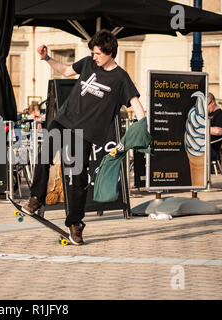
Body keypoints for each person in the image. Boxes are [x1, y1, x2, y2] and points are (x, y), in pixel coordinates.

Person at [22, 30, 146, 245]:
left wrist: (143, 125)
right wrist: (46, 58)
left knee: (77, 178)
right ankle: (36, 198)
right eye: (93, 53)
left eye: (98, 53)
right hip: (63, 119)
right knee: (45, 155)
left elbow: (136, 104)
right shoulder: (88, 63)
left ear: (109, 53)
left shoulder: (120, 78)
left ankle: (75, 224)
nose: (94, 57)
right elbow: (66, 70)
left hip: (85, 133)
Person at [208, 93, 222, 162]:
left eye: (206, 105)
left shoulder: (221, 115)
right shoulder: (207, 114)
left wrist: (200, 128)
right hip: (202, 145)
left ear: (213, 102)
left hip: (212, 148)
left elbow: (219, 131)